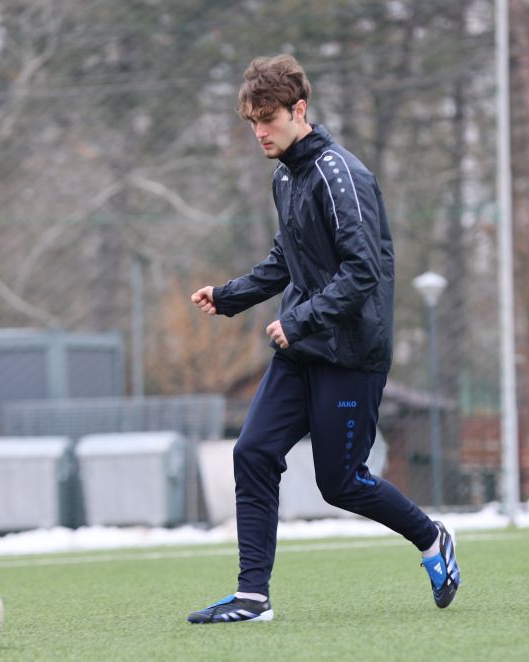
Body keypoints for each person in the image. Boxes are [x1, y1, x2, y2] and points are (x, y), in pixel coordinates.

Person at [186, 54, 460, 623]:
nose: (260, 132)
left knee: (341, 483)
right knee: (253, 452)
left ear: (299, 110)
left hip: (349, 354)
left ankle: (431, 538)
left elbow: (364, 272)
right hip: (301, 350)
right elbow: (286, 258)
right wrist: (230, 295)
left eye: (269, 119)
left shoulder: (341, 176)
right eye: (253, 121)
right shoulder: (285, 176)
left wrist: (301, 319)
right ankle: (252, 597)